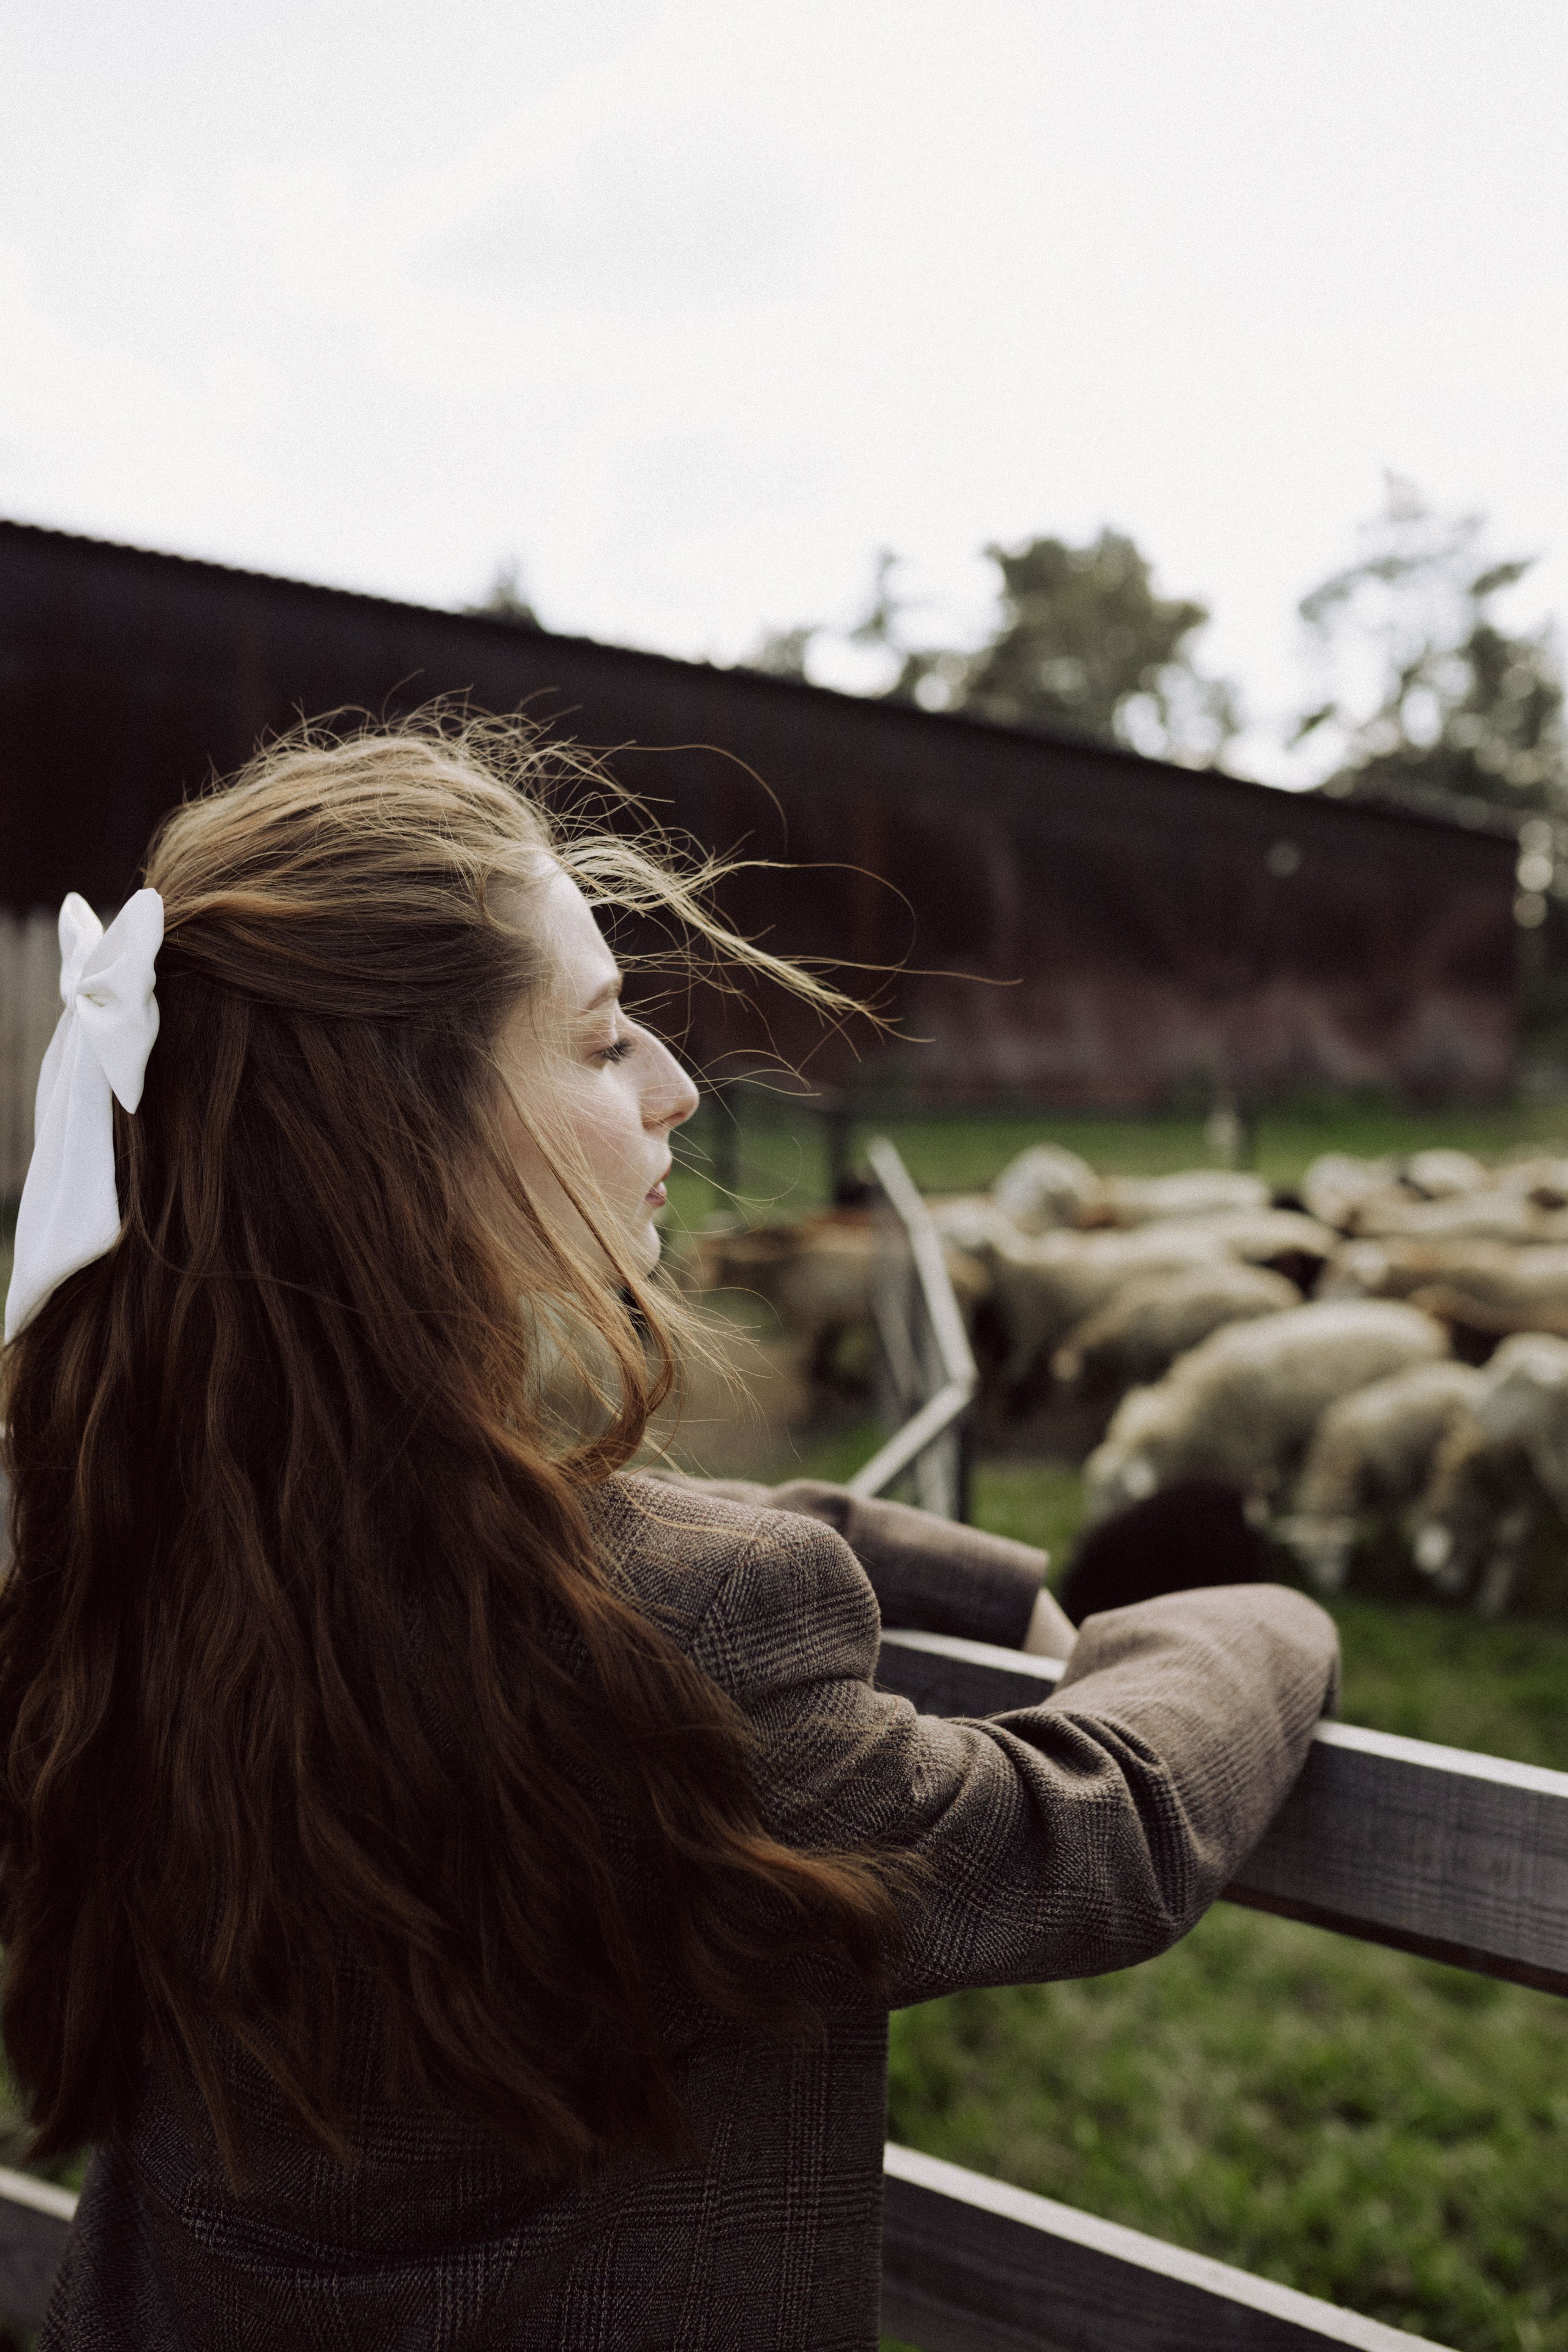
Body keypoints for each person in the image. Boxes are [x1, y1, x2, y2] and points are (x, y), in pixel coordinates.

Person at [0, 717, 1338, 2351]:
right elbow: (1104, 1829)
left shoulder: (112, 1541)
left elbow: (560, 1530)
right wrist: (1247, 1610)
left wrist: (977, 1570)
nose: (680, 1088)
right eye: (602, 1039)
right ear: (401, 1136)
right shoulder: (691, 1639)